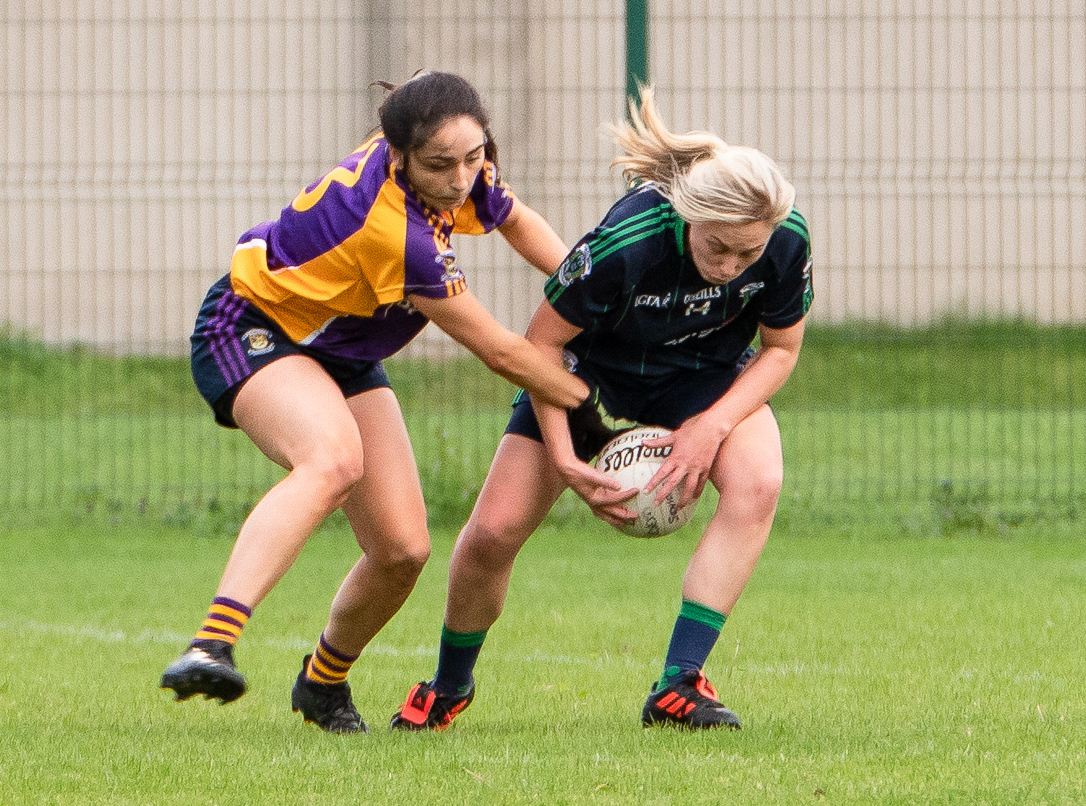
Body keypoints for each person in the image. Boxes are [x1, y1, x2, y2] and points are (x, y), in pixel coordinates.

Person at [160, 71, 604, 734]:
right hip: (255, 327)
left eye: (474, 157)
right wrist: (593, 403)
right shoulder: (397, 235)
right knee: (331, 461)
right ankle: (212, 642)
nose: (461, 181)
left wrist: (594, 291)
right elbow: (501, 353)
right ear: (397, 155)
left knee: (402, 549)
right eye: (440, 165)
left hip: (341, 345)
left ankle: (322, 684)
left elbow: (514, 220)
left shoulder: (452, 156)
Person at [390, 86, 813, 732]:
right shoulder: (627, 244)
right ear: (689, 215)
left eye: (746, 254)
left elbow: (780, 351)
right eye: (717, 248)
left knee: (758, 482)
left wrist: (712, 425)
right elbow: (543, 346)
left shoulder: (784, 241)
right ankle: (448, 686)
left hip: (701, 379)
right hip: (586, 379)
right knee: (494, 532)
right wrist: (564, 456)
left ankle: (680, 684)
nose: (730, 266)